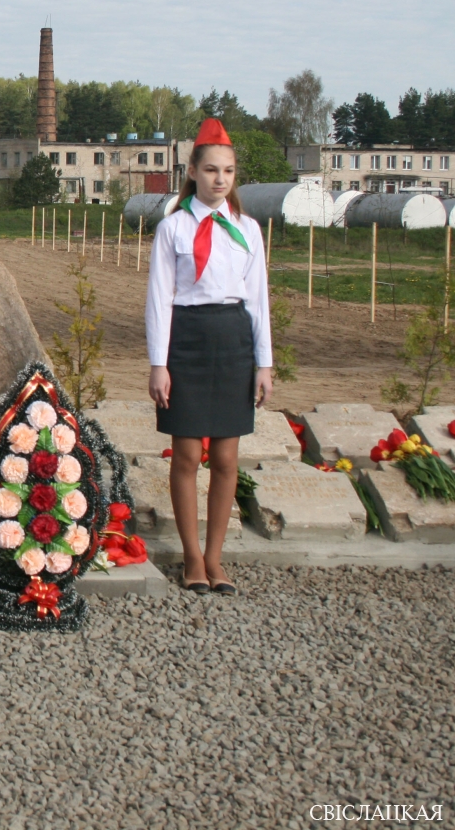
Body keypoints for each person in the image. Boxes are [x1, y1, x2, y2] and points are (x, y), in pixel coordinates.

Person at [145, 118, 272, 595]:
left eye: (229, 171)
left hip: (234, 341)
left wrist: (264, 363)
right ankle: (192, 557)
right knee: (187, 453)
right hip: (188, 341)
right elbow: (159, 299)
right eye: (212, 170)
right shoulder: (173, 228)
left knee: (225, 456)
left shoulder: (248, 230)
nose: (221, 179)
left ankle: (216, 558)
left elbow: (258, 299)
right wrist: (159, 363)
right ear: (193, 172)